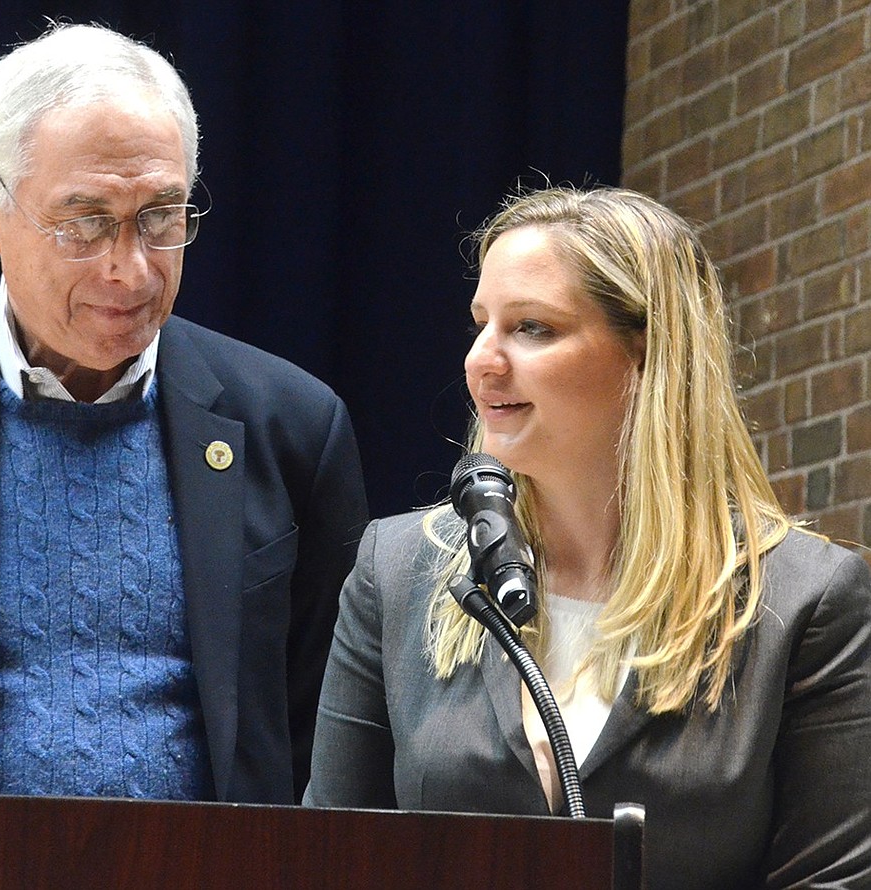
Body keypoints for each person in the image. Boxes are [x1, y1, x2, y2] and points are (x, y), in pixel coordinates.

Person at [0, 22, 368, 806]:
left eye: (161, 216)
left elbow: (326, 747)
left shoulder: (291, 427)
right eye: (85, 221)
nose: (130, 266)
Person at [303, 186, 871, 887]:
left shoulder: (807, 597)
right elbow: (329, 860)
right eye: (482, 323)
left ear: (648, 352)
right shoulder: (396, 571)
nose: (482, 361)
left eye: (532, 328)